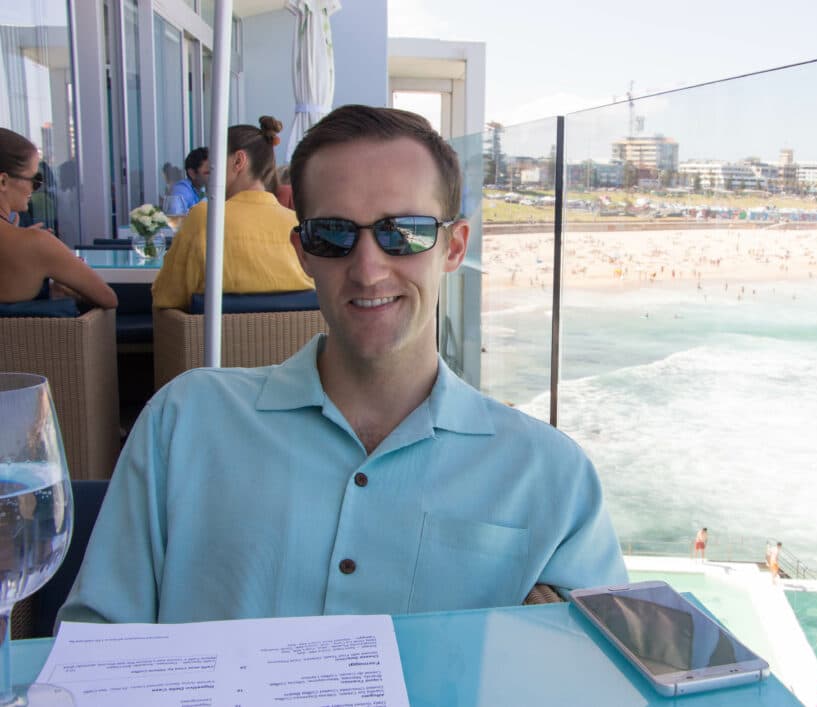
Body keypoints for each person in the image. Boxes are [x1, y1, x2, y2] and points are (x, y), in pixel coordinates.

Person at [58, 105, 627, 624]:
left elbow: (609, 672)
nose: (368, 269)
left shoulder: (548, 473)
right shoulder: (184, 423)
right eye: (333, 235)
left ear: (453, 248)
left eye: (403, 232)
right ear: (302, 251)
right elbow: (95, 643)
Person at [151, 117, 313, 310]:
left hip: (210, 339)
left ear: (238, 161)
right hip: (293, 338)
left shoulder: (206, 218)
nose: (210, 173)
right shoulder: (297, 224)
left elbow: (165, 296)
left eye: (213, 164)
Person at [0, 128, 116, 308]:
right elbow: (108, 299)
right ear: (3, 182)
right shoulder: (35, 243)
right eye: (35, 180)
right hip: (37, 336)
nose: (36, 188)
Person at [167, 146, 210, 212]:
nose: (213, 175)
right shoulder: (181, 190)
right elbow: (176, 215)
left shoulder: (202, 189)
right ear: (192, 173)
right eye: (208, 172)